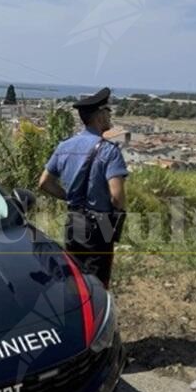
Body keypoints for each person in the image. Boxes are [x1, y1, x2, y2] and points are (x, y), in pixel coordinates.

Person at [38, 87, 128, 288]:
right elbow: (117, 196)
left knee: (74, 274)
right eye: (108, 112)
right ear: (100, 116)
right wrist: (117, 214)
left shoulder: (65, 146)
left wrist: (68, 196)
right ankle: (96, 315)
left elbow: (44, 183)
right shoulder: (109, 151)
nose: (109, 116)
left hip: (74, 218)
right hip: (102, 221)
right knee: (98, 279)